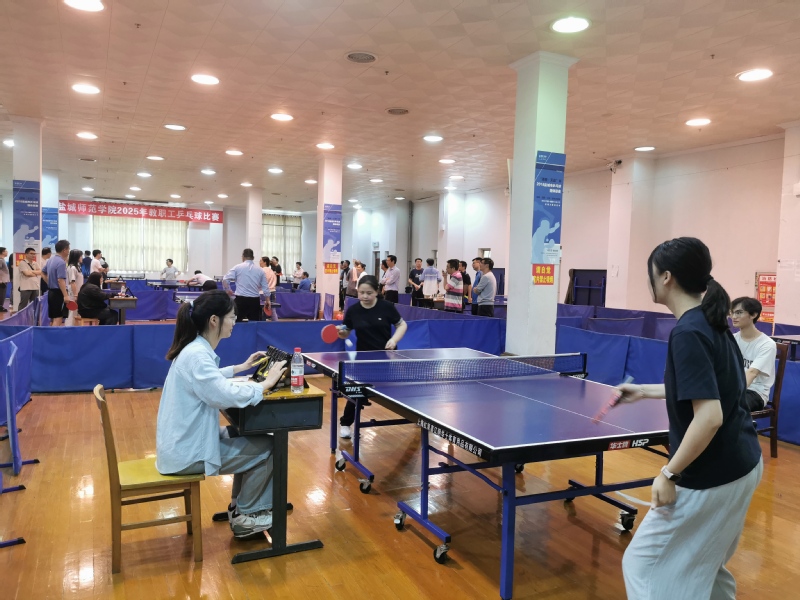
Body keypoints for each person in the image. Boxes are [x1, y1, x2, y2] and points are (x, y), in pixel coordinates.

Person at [618, 237, 763, 600]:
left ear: (666, 277)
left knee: (642, 566)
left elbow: (709, 416)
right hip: (743, 462)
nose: (648, 280)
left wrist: (669, 473)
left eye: (650, 273)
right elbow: (711, 388)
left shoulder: (688, 331)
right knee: (706, 565)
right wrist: (644, 391)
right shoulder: (712, 322)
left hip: (711, 474)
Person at [155, 289, 287, 538]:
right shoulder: (197, 355)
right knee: (271, 447)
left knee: (243, 435)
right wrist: (266, 384)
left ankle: (239, 507)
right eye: (232, 317)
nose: (235, 322)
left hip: (182, 442)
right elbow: (221, 394)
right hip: (186, 453)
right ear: (214, 320)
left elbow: (209, 381)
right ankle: (246, 516)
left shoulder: (194, 349)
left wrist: (240, 368)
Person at [337, 275, 407, 439]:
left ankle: (417, 417)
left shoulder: (386, 307)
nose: (365, 296)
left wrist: (394, 340)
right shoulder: (353, 310)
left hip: (387, 357)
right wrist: (341, 333)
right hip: (364, 360)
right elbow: (346, 331)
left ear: (377, 291)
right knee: (355, 393)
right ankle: (345, 424)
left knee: (403, 391)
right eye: (361, 293)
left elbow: (402, 324)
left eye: (369, 293)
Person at [731, 297, 777, 411]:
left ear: (753, 314)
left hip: (755, 392)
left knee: (728, 405)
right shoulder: (731, 339)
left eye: (739, 312)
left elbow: (752, 373)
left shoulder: (767, 344)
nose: (734, 316)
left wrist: (731, 394)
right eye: (732, 312)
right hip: (732, 388)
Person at [222, 249, 271, 322]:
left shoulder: (237, 267)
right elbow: (265, 287)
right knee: (254, 324)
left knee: (235, 323)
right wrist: (267, 300)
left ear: (243, 257)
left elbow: (225, 279)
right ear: (253, 258)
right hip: (254, 301)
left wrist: (227, 290)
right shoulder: (260, 270)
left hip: (240, 300)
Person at [42, 240, 72, 326]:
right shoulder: (61, 262)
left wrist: (48, 282)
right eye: (68, 249)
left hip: (51, 292)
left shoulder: (50, 260)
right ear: (64, 250)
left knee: (53, 318)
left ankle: (52, 333)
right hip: (58, 293)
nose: (69, 251)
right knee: (58, 318)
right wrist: (65, 295)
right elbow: (60, 280)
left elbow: (42, 272)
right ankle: (55, 334)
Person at [66, 249, 85, 326]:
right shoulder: (72, 268)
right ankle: (69, 328)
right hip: (73, 293)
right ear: (76, 257)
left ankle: (76, 328)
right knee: (72, 312)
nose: (82, 257)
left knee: (77, 313)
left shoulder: (78, 267)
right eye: (80, 256)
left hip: (79, 293)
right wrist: (75, 294)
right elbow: (72, 282)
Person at [0, 247, 9, 312]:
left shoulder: (2, 260)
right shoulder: (0, 260)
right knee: (1, 294)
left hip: (4, 280)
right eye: (5, 251)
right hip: (2, 281)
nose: (7, 252)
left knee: (2, 294)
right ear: (2, 252)